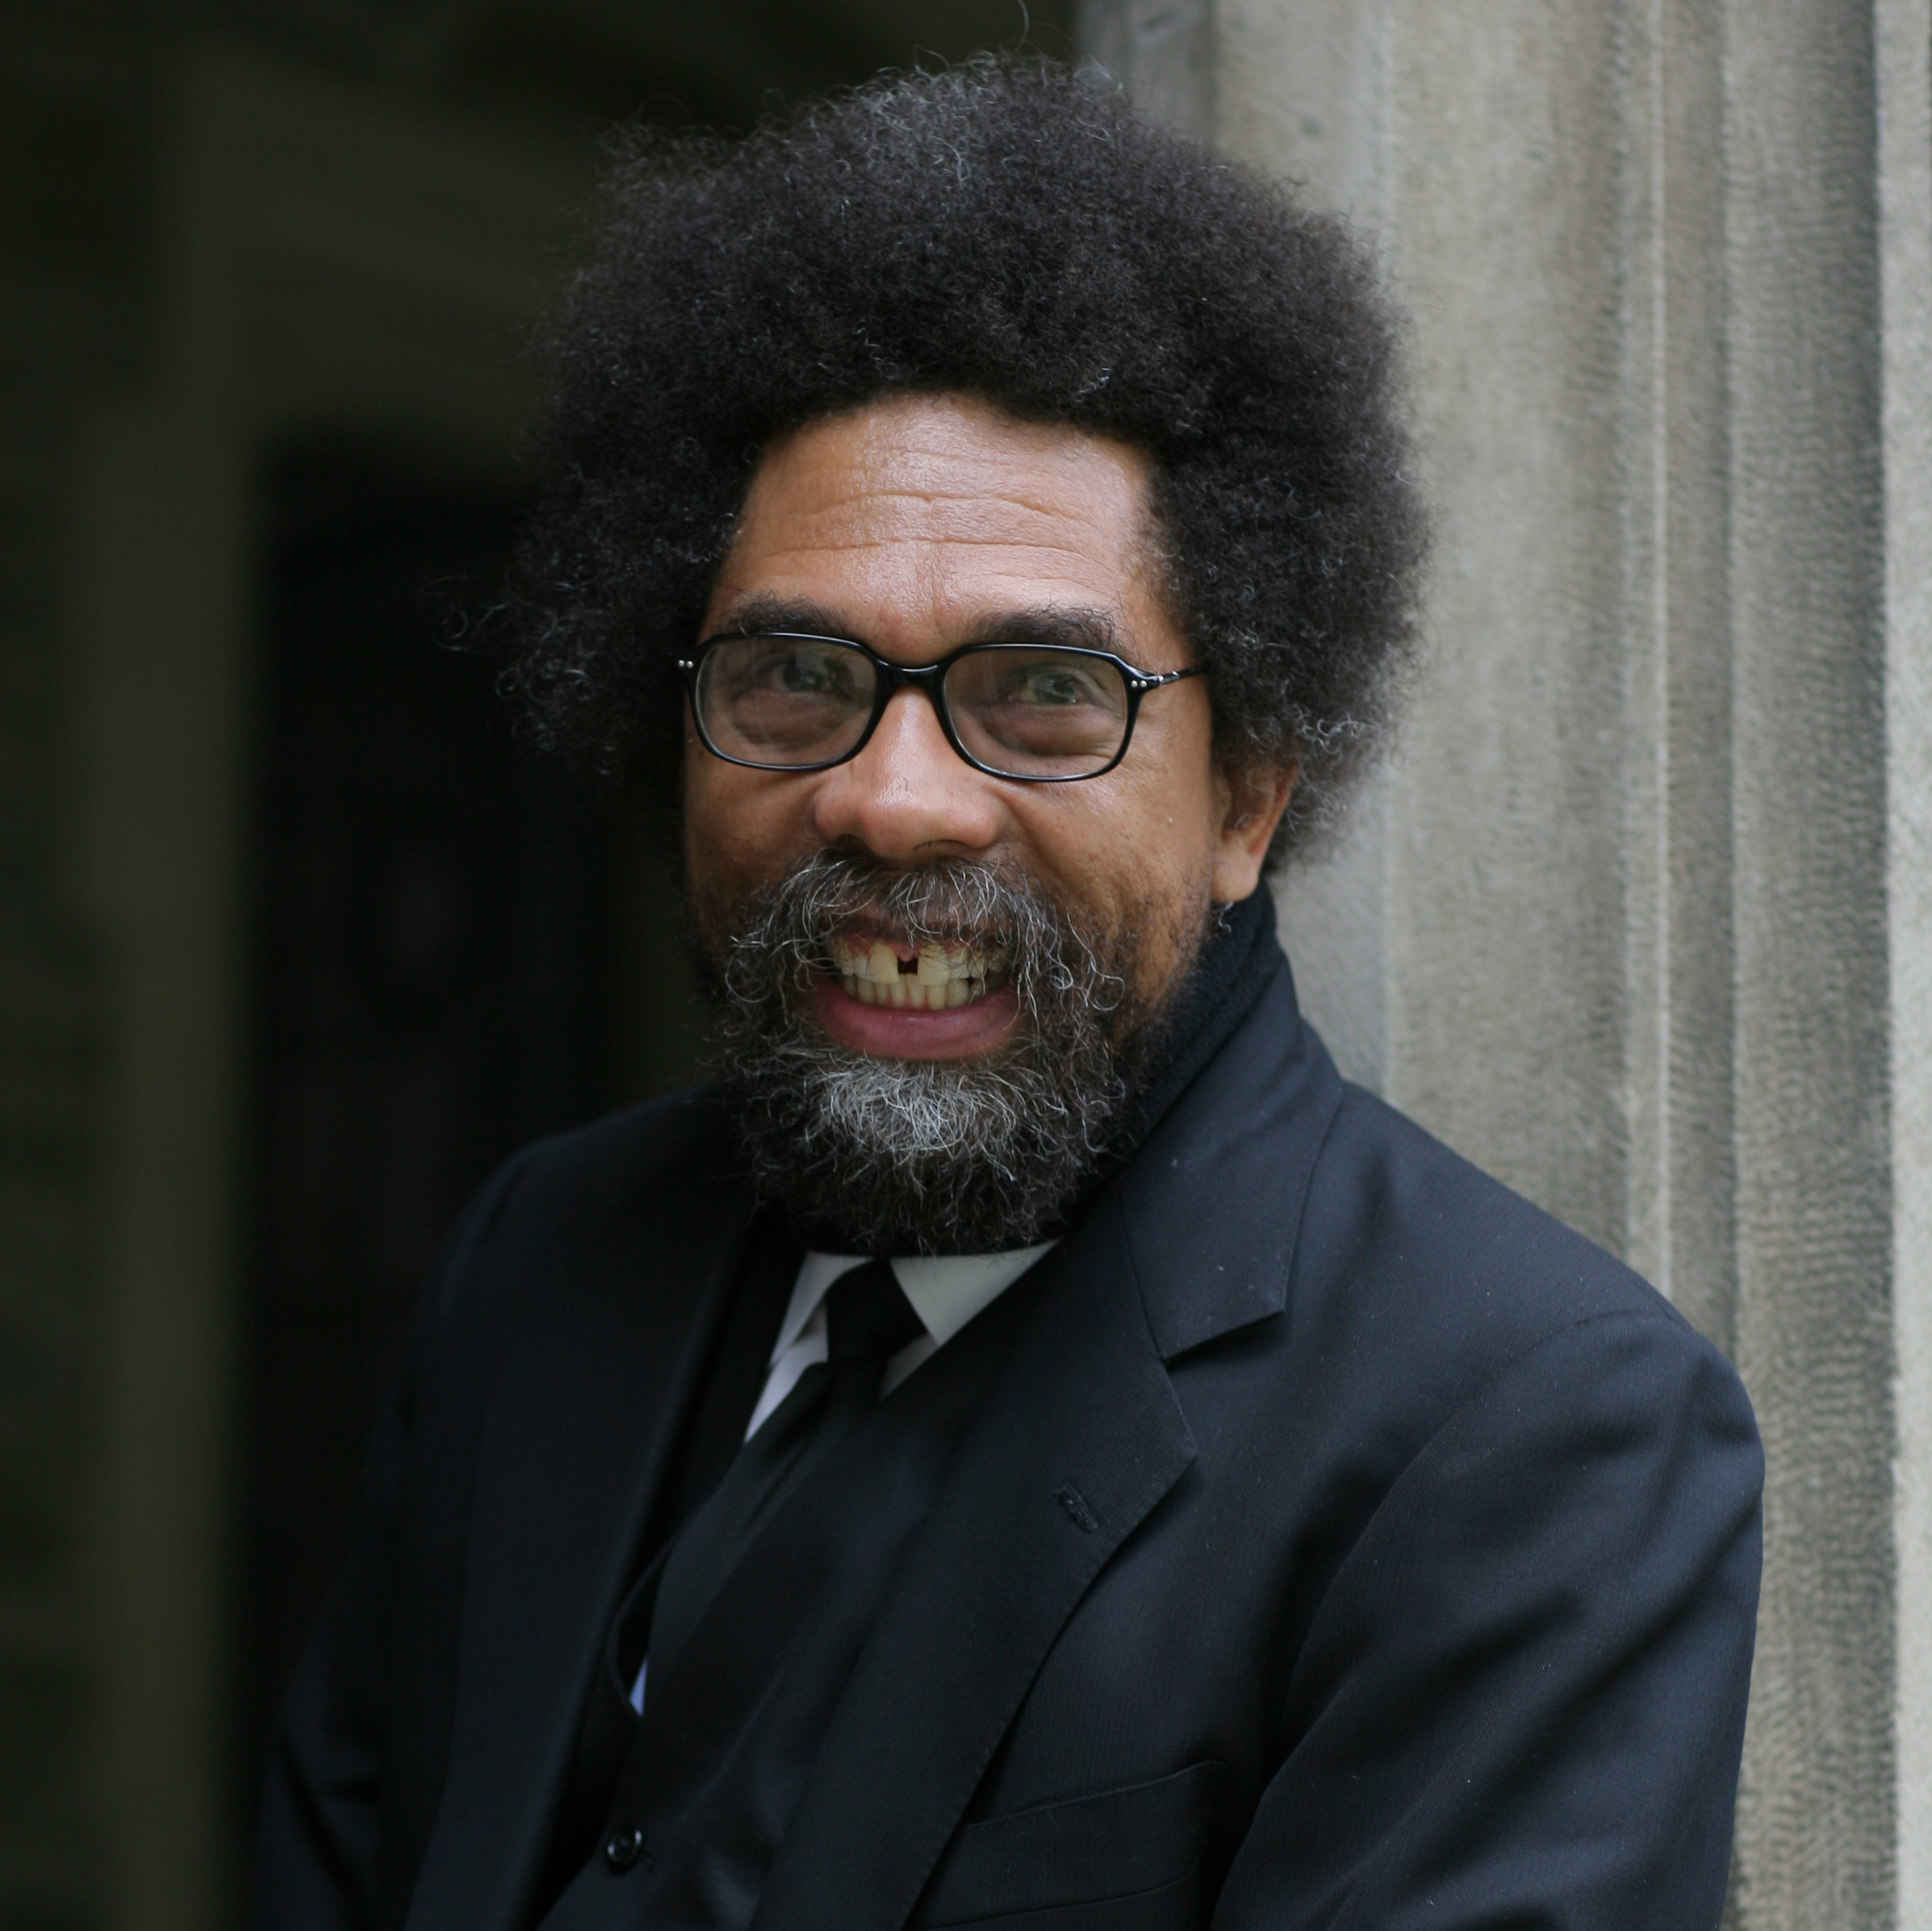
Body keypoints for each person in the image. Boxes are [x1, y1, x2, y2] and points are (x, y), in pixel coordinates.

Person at [248, 58, 1762, 1931]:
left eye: (1044, 694)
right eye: (795, 677)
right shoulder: (539, 1263)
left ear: (1249, 795)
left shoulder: (1531, 1440)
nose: (892, 798)